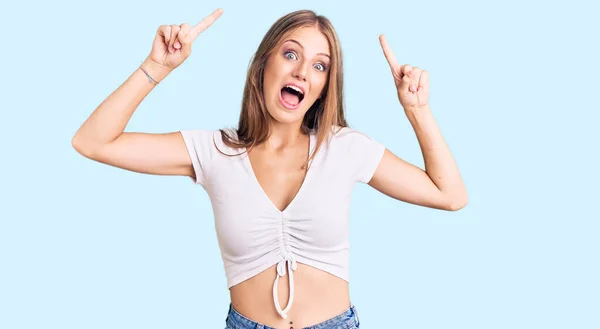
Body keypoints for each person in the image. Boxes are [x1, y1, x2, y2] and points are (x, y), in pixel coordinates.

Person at [72, 8, 468, 329]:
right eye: (291, 54)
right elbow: (92, 141)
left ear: (326, 84)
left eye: (320, 66)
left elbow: (449, 195)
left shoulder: (344, 148)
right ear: (263, 65)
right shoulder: (213, 151)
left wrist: (417, 111)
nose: (301, 72)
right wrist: (156, 67)